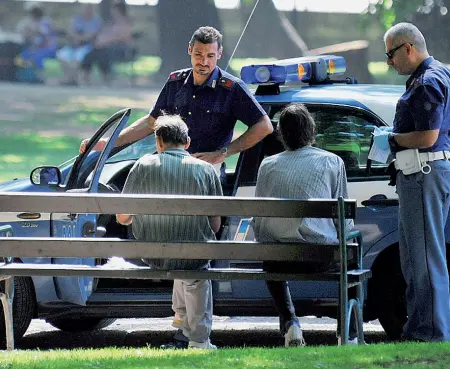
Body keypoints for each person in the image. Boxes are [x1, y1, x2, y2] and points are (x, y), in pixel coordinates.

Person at [79, 26, 273, 168]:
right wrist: (107, 142)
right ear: (190, 50)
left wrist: (222, 154)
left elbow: (264, 125)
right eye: (198, 54)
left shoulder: (231, 88)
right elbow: (150, 123)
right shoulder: (175, 82)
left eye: (210, 56)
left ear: (219, 54)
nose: (204, 62)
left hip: (205, 168)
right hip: (169, 164)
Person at [116, 114, 223, 350]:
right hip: (193, 255)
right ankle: (198, 339)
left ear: (159, 142)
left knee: (178, 252)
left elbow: (122, 216)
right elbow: (215, 225)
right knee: (194, 263)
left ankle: (181, 317)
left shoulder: (142, 165)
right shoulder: (206, 170)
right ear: (187, 142)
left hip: (153, 254)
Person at [374, 23, 450, 342]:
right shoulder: (437, 74)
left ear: (408, 48)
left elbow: (428, 136)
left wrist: (390, 140)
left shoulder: (428, 80)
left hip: (423, 174)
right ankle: (421, 327)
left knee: (424, 260)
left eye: (390, 54)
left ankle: (429, 334)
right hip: (423, 174)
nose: (389, 62)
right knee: (416, 257)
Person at [253, 103, 353, 347]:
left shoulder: (268, 165)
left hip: (279, 258)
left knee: (271, 259)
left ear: (282, 134)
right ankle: (345, 333)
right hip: (322, 257)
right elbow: (344, 221)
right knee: (351, 261)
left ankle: (290, 323)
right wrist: (347, 236)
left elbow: (259, 221)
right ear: (312, 131)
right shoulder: (333, 162)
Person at [80, 1, 133, 85]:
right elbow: (103, 34)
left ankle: (106, 78)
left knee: (102, 54)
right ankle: (86, 77)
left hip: (119, 49)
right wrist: (100, 41)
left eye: (114, 10)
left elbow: (123, 37)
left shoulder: (125, 23)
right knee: (91, 54)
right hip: (105, 48)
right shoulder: (111, 23)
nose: (112, 13)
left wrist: (107, 41)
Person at [56, 3, 102, 86]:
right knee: (62, 55)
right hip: (73, 46)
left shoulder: (96, 21)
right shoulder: (77, 19)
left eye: (89, 9)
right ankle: (70, 78)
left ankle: (70, 79)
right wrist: (76, 38)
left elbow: (91, 35)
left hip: (87, 46)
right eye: (85, 9)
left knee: (77, 58)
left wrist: (79, 38)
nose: (87, 11)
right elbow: (70, 31)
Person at [17, 2, 57, 82]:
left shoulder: (46, 21)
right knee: (21, 58)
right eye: (33, 11)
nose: (35, 13)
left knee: (46, 55)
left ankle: (51, 79)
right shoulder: (26, 22)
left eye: (36, 10)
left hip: (45, 48)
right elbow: (24, 36)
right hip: (31, 49)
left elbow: (47, 36)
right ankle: (30, 78)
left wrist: (37, 31)